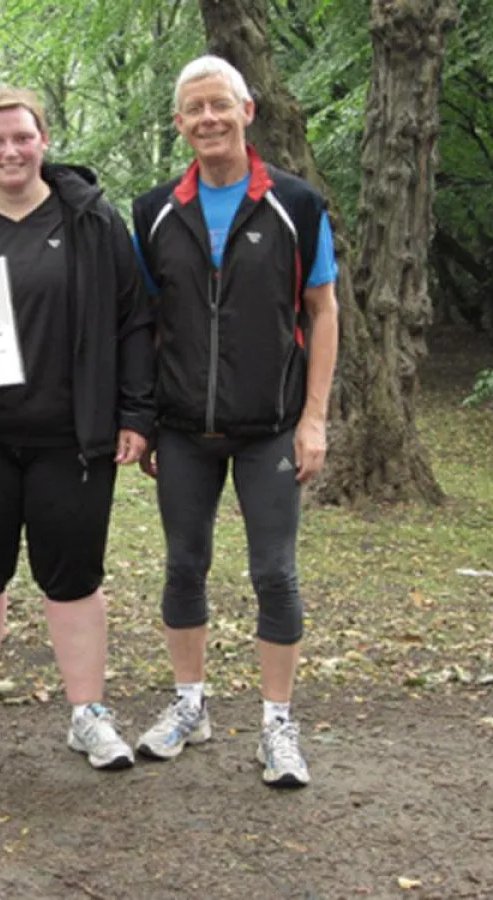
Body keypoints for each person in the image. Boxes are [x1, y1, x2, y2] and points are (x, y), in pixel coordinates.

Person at [0, 86, 156, 771]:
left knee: (73, 577)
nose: (10, 150)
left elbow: (134, 320)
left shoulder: (93, 221)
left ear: (43, 138)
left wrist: (136, 413)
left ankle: (88, 714)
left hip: (71, 440)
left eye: (22, 136)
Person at [131, 55, 339, 787]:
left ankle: (277, 723)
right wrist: (148, 418)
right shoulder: (153, 210)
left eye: (220, 104)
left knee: (274, 573)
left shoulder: (295, 203)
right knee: (184, 566)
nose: (208, 119)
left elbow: (323, 310)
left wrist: (313, 420)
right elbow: (148, 323)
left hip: (272, 427)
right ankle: (191, 704)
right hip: (185, 429)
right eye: (194, 108)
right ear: (180, 122)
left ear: (247, 110)